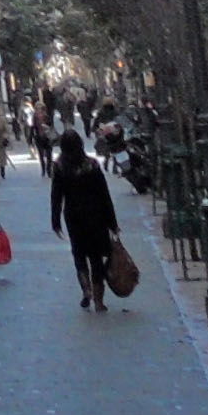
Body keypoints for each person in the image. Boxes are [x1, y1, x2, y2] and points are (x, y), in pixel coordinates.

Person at [50, 127, 121, 308]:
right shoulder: (92, 165)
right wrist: (112, 223)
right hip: (95, 214)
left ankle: (86, 289)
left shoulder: (59, 167)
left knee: (79, 254)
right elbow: (104, 195)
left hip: (73, 215)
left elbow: (56, 196)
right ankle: (99, 300)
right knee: (96, 256)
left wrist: (56, 221)